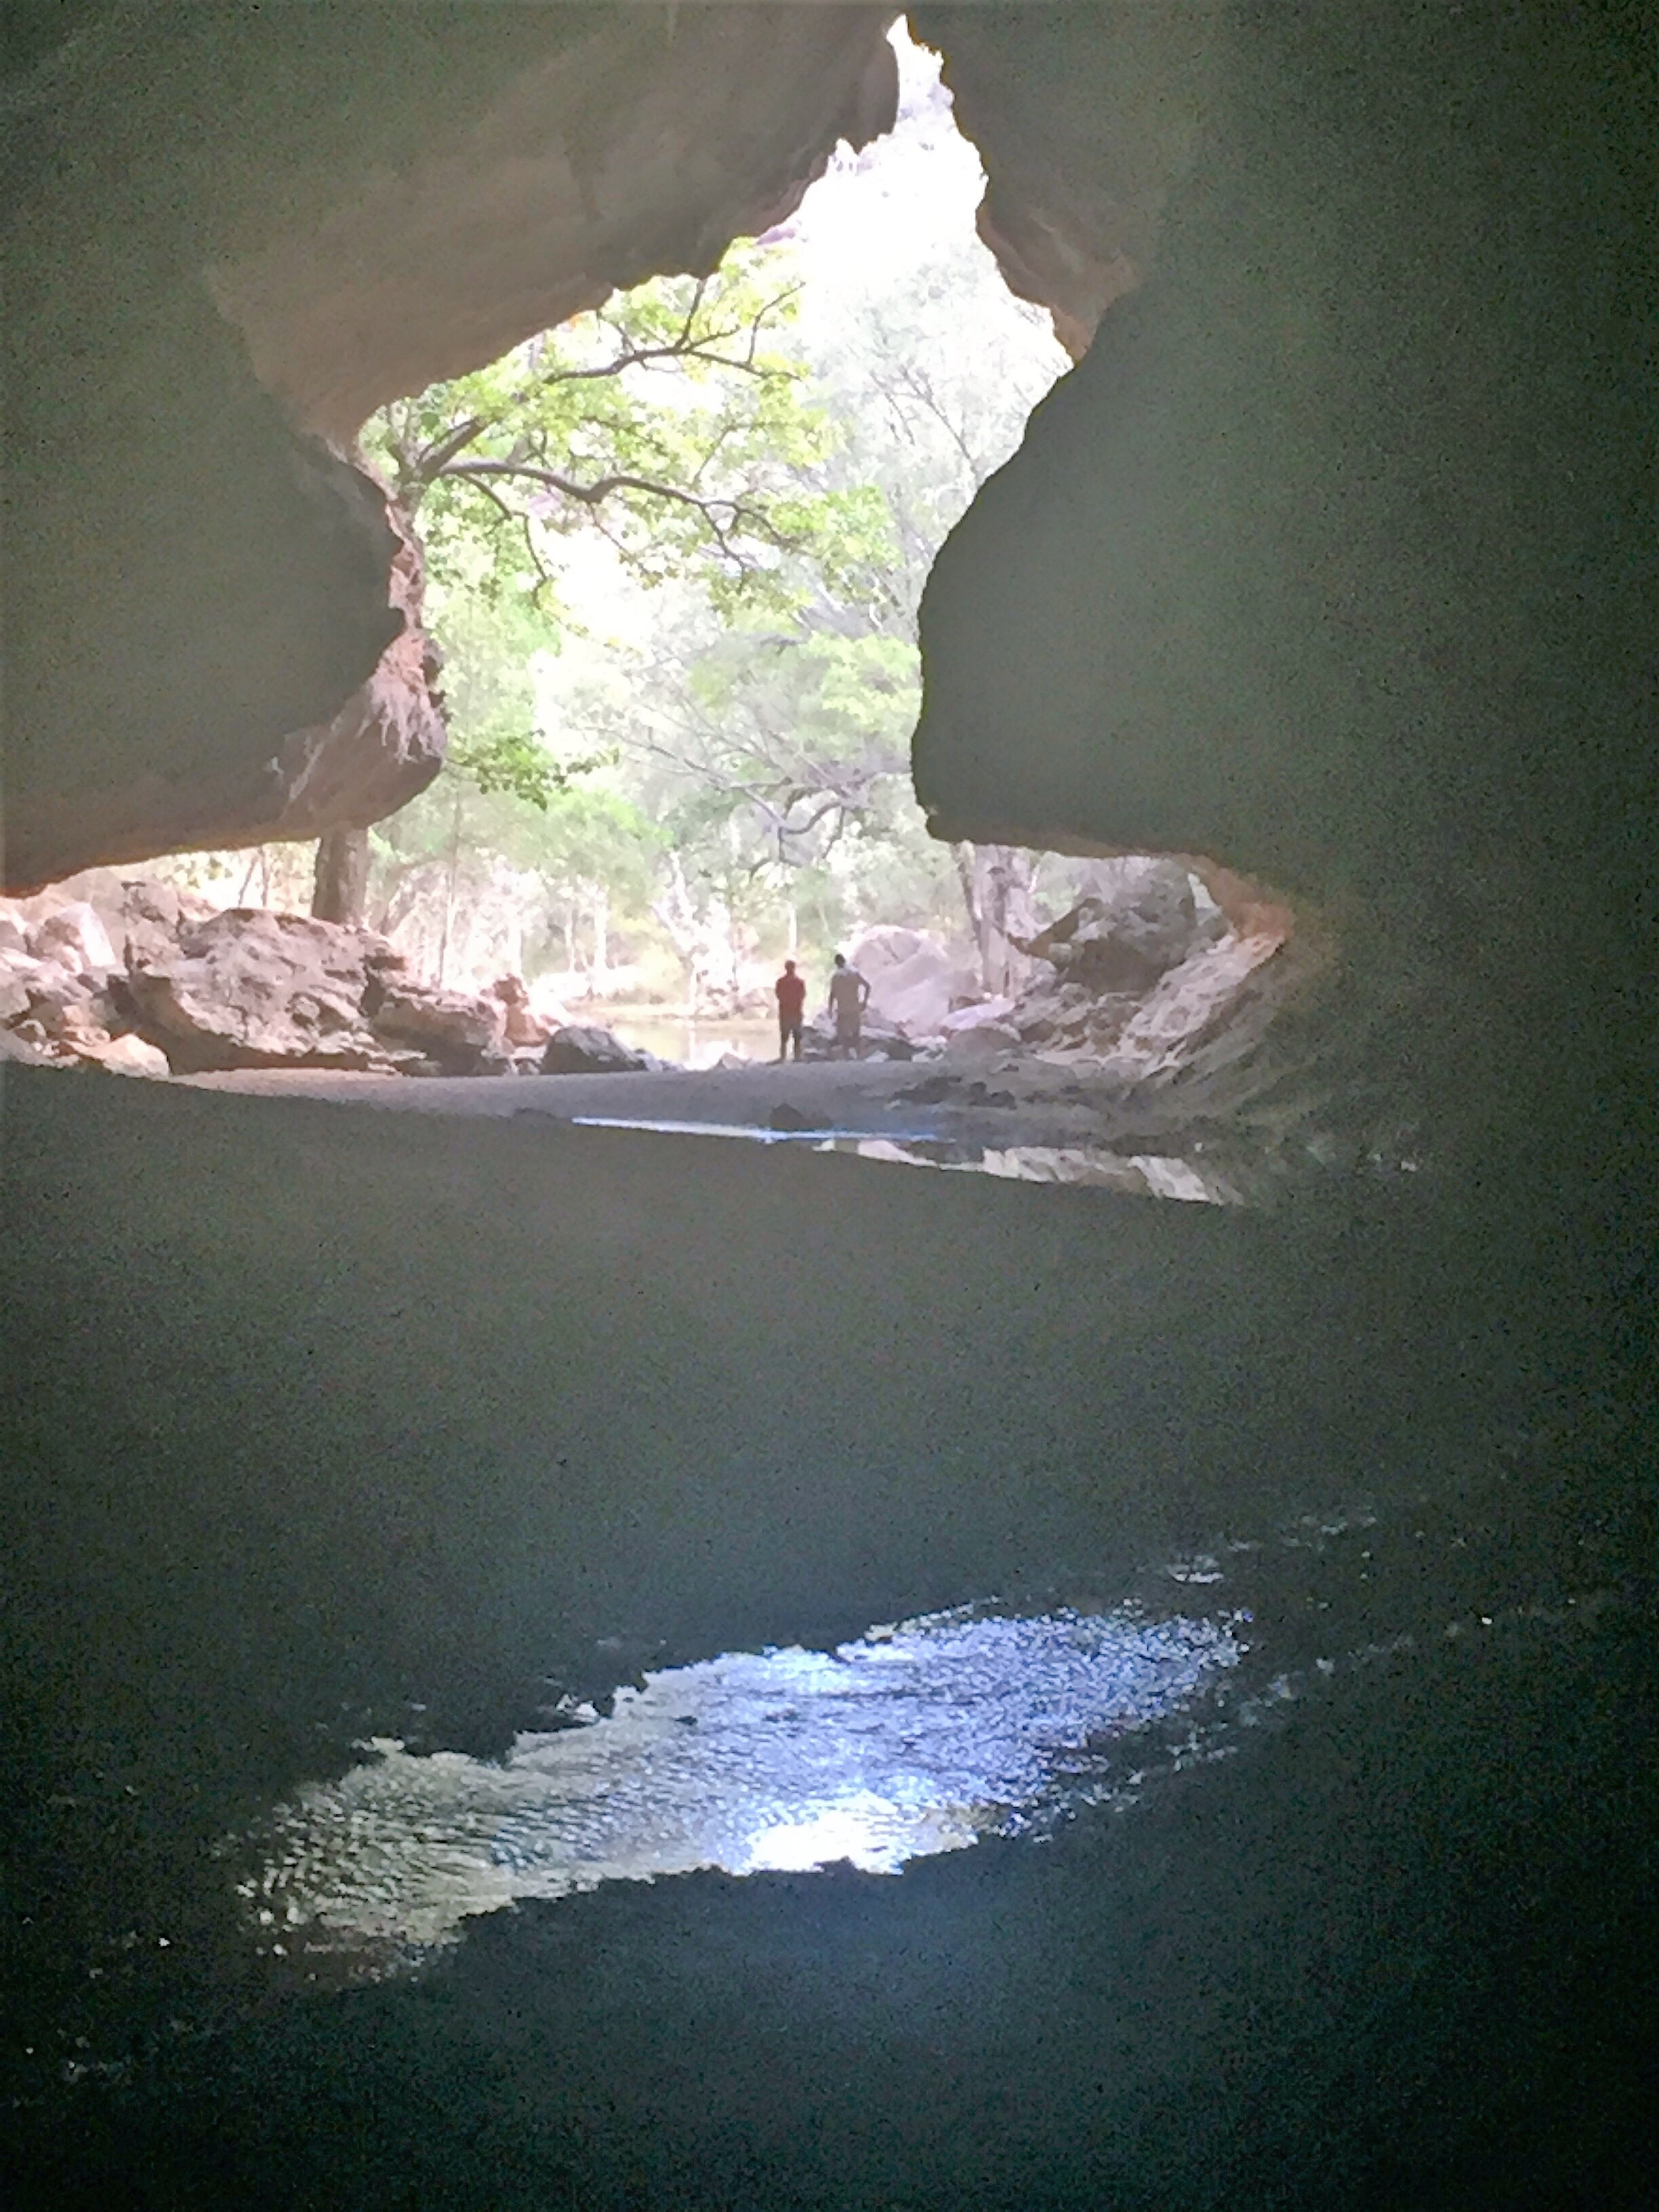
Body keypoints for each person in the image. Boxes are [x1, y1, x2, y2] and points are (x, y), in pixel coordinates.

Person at [825, 951, 870, 1059]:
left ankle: (846, 1055)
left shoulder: (836, 977)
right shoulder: (854, 973)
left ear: (836, 963)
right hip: (855, 1007)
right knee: (856, 1032)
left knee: (842, 1033)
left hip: (842, 1009)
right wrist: (864, 1002)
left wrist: (830, 1009)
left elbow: (832, 995)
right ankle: (859, 1054)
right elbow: (868, 986)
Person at [774, 958, 806, 1061]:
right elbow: (802, 995)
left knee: (784, 1037)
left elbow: (778, 995)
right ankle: (797, 1057)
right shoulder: (800, 982)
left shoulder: (781, 982)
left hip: (785, 1012)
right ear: (794, 968)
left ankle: (783, 1057)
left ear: (786, 968)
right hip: (796, 1012)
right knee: (797, 1036)